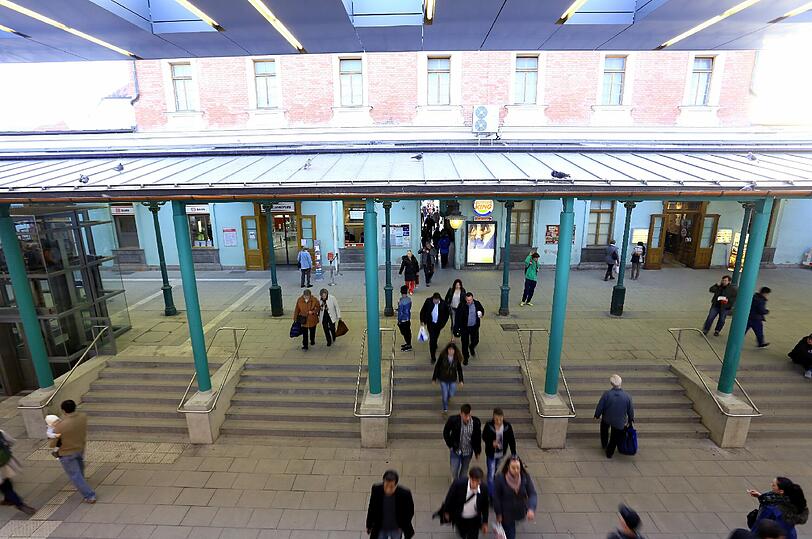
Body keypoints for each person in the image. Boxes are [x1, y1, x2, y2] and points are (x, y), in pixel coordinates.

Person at [51, 400, 96, 503]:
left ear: (63, 410)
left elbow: (53, 443)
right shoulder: (83, 417)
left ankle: (89, 495)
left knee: (74, 475)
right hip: (80, 447)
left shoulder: (60, 426)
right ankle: (82, 480)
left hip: (67, 452)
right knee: (80, 466)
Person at [492, 456, 536, 539]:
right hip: (506, 513)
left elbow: (532, 493)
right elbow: (496, 497)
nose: (516, 470)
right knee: (510, 534)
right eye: (513, 468)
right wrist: (499, 513)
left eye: (518, 468)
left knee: (512, 527)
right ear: (508, 467)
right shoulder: (500, 479)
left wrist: (531, 508)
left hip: (519, 510)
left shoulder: (525, 477)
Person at [441, 467, 489, 539]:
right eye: (473, 481)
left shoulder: (484, 488)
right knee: (462, 533)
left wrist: (485, 522)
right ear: (470, 478)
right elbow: (449, 498)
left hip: (474, 519)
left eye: (478, 482)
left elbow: (485, 506)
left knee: (473, 536)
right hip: (460, 517)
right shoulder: (458, 484)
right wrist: (446, 511)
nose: (475, 484)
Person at [366, 470, 415, 539]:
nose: (388, 490)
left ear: (396, 485)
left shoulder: (405, 494)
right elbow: (371, 508)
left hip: (396, 529)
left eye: (391, 487)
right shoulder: (376, 490)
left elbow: (410, 511)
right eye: (386, 486)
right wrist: (369, 525)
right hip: (380, 527)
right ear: (383, 483)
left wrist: (402, 525)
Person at [594, 374, 634, 459]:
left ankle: (604, 443)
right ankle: (609, 452)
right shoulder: (627, 396)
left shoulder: (607, 394)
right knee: (614, 437)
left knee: (604, 430)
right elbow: (630, 409)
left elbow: (600, 406)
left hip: (607, 418)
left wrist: (597, 415)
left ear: (611, 384)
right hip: (619, 421)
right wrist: (631, 418)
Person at [482, 408, 517, 497]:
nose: (498, 421)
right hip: (491, 454)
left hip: (501, 454)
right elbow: (484, 436)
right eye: (496, 419)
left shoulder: (507, 426)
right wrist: (491, 443)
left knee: (496, 468)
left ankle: (492, 476)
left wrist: (513, 453)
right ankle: (491, 495)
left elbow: (511, 440)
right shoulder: (489, 426)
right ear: (493, 417)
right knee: (490, 474)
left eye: (500, 419)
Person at [0, 430, 36, 515]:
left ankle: (19, 504)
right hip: (5, 462)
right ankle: (8, 500)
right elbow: (11, 442)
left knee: (4, 486)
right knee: (6, 480)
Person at [443, 403, 481, 480]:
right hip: (456, 450)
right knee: (454, 470)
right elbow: (446, 432)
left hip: (468, 451)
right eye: (465, 416)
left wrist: (477, 451)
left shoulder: (476, 422)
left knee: (464, 472)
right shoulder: (453, 420)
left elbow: (477, 438)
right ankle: (455, 482)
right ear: (461, 414)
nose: (467, 418)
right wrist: (450, 445)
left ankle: (460, 484)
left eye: (469, 415)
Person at [432, 342, 464, 413]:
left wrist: (461, 380)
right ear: (447, 350)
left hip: (452, 378)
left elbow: (459, 370)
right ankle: (445, 409)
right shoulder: (443, 356)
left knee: (451, 393)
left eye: (452, 350)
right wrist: (434, 378)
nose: (451, 351)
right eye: (449, 349)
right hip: (443, 378)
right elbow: (437, 367)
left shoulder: (456, 358)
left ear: (455, 351)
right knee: (445, 393)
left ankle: (448, 398)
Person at [454, 292, 485, 365]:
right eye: (468, 300)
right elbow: (457, 317)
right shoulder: (461, 305)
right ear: (465, 299)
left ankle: (471, 347)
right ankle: (466, 357)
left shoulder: (477, 304)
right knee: (464, 343)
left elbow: (482, 310)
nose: (469, 301)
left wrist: (481, 314)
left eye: (470, 300)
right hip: (464, 328)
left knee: (476, 340)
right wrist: (456, 328)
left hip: (474, 327)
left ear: (472, 298)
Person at [420, 292, 450, 364]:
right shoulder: (428, 301)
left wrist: (443, 324)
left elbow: (447, 315)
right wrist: (422, 320)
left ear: (439, 299)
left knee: (436, 336)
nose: (435, 302)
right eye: (434, 300)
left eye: (436, 301)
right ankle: (433, 356)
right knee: (432, 339)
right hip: (431, 324)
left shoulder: (444, 304)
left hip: (438, 325)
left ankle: (435, 342)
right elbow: (423, 311)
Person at [397, 285, 413, 352]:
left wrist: (399, 320)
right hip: (408, 318)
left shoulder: (401, 301)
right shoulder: (409, 299)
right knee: (408, 332)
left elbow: (400, 312)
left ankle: (408, 345)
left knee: (404, 332)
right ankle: (408, 343)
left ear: (401, 292)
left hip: (403, 319)